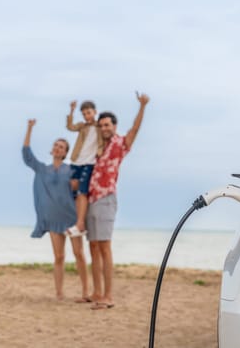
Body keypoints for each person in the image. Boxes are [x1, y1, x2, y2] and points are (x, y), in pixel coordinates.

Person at [86, 92, 150, 310]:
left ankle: (108, 295)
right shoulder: (96, 148)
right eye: (101, 125)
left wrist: (142, 106)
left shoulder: (120, 144)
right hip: (92, 199)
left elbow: (135, 129)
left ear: (113, 126)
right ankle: (96, 292)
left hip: (106, 199)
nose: (104, 128)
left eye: (107, 125)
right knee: (93, 247)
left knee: (104, 247)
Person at [22, 119, 90, 302]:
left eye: (61, 146)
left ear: (66, 152)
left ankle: (85, 291)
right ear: (52, 150)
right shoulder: (43, 169)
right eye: (56, 145)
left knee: (79, 254)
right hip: (53, 220)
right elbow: (27, 155)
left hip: (72, 217)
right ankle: (59, 292)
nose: (58, 148)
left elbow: (80, 188)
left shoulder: (71, 170)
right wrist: (29, 128)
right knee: (59, 256)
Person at [65, 100, 103, 238]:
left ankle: (81, 224)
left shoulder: (100, 126)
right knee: (72, 190)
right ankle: (77, 222)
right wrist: (71, 111)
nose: (87, 116)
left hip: (90, 162)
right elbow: (70, 126)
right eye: (84, 114)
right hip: (77, 160)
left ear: (95, 112)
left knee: (82, 192)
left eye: (89, 112)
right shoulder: (82, 126)